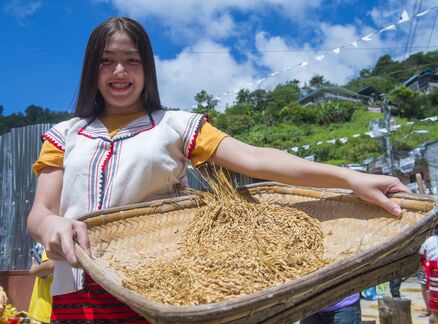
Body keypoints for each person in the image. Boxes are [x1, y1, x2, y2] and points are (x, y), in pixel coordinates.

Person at [26, 17, 409, 323]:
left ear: (148, 69)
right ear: (92, 68)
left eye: (133, 60)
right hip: (75, 296)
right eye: (107, 60)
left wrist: (349, 177)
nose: (119, 71)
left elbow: (257, 159)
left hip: (154, 293)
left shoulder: (174, 126)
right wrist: (51, 227)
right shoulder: (65, 135)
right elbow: (41, 213)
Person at [420, 222, 438, 324]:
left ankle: (433, 315)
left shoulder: (430, 240)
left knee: (428, 289)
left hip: (434, 275)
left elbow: (422, 254)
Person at [28, 243, 54, 324]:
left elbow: (51, 265)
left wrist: (33, 271)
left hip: (46, 308)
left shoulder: (50, 239)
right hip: (46, 307)